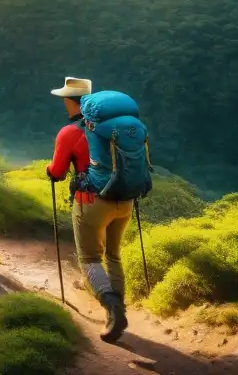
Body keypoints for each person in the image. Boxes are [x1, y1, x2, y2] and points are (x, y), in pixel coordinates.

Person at [46, 76, 149, 344]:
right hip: (125, 200)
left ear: (71, 102)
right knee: (114, 256)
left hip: (91, 202)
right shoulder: (114, 129)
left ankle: (112, 309)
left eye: (64, 100)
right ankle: (117, 313)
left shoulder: (69, 132)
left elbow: (57, 172)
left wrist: (51, 171)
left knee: (90, 259)